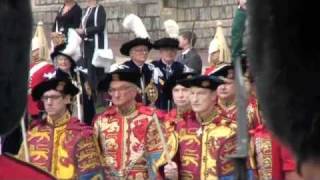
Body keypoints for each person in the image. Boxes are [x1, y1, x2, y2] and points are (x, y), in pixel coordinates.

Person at [163, 75, 255, 179]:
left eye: (201, 93)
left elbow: (243, 173)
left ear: (213, 95)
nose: (195, 99)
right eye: (192, 93)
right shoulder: (180, 128)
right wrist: (172, 175)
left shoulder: (231, 130)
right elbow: (169, 167)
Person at [18, 69, 104, 179]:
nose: (49, 102)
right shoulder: (32, 134)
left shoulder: (82, 135)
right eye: (45, 98)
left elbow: (92, 176)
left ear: (67, 99)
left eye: (54, 97)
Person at [93, 67, 166, 179]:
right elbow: (94, 161)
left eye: (121, 89)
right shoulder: (101, 121)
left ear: (134, 91)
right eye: (112, 90)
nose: (116, 95)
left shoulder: (151, 119)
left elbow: (156, 163)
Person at [51, 28, 95, 125]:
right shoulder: (53, 79)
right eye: (60, 59)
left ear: (71, 60)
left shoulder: (80, 75)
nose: (63, 62)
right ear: (56, 61)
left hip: (82, 118)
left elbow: (88, 98)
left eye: (66, 59)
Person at [120, 14, 159, 105]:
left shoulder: (152, 69)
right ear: (131, 53)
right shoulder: (124, 70)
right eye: (140, 50)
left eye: (146, 50)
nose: (144, 53)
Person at [152, 37, 192, 110]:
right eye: (166, 50)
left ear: (176, 52)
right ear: (161, 52)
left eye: (172, 50)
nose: (169, 53)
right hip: (157, 109)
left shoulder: (183, 68)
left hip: (177, 109)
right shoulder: (151, 67)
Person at [76, 0, 107, 93]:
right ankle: (91, 94)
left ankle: (98, 95)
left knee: (95, 70)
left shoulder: (100, 9)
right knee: (88, 71)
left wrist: (84, 31)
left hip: (96, 45)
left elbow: (100, 27)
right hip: (87, 45)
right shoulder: (87, 9)